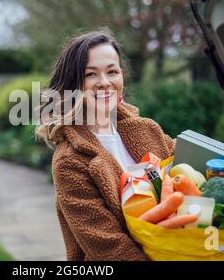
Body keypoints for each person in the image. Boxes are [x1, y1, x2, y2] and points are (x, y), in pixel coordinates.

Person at [35, 29, 175, 261]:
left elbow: (187, 175)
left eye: (112, 71)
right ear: (73, 84)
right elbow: (109, 248)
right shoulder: (70, 161)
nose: (104, 82)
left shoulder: (147, 129)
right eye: (91, 74)